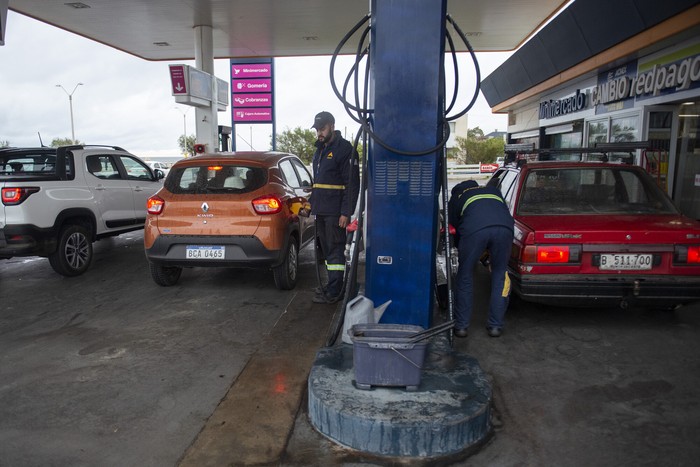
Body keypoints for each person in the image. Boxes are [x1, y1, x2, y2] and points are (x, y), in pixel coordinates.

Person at [447, 179, 514, 338]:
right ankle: (495, 326)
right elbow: (498, 216)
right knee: (500, 274)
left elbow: (456, 230)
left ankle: (461, 327)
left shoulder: (457, 197)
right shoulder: (493, 191)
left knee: (465, 274)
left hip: (475, 230)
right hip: (505, 229)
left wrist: (466, 252)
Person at [309, 111, 359, 304]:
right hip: (321, 209)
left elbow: (351, 184)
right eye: (317, 130)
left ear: (332, 125)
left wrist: (346, 212)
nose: (319, 133)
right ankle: (331, 285)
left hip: (335, 212)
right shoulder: (320, 150)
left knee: (335, 251)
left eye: (322, 129)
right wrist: (311, 205)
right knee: (327, 250)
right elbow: (319, 182)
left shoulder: (344, 149)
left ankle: (335, 291)